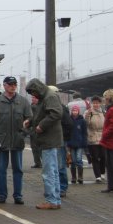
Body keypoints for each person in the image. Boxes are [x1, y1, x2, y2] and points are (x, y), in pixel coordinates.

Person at [0, 76, 32, 204]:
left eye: (15, 84)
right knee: (1, 169)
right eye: (10, 84)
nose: (13, 86)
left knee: (18, 169)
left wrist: (24, 133)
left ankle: (18, 195)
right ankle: (2, 194)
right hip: (1, 141)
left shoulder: (23, 102)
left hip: (17, 141)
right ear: (5, 85)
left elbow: (30, 119)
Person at [25, 78, 64, 209]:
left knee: (48, 171)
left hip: (49, 139)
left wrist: (41, 126)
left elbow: (56, 114)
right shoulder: (45, 97)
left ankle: (51, 200)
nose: (32, 95)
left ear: (38, 89)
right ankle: (56, 200)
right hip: (49, 139)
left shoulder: (49, 97)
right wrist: (31, 122)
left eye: (33, 92)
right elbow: (42, 114)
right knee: (53, 171)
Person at [85, 96, 106, 183]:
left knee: (103, 157)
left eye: (97, 103)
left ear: (100, 104)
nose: (96, 104)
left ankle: (102, 172)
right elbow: (86, 124)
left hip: (103, 137)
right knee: (95, 158)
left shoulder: (104, 112)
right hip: (92, 137)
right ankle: (97, 176)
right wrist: (88, 115)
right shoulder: (88, 112)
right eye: (94, 103)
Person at [67, 105, 88, 184]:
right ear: (71, 111)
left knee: (79, 159)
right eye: (73, 110)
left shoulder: (82, 121)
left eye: (76, 110)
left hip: (79, 144)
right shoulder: (69, 120)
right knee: (73, 161)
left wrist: (84, 142)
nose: (74, 112)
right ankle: (73, 177)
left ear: (78, 111)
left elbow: (84, 133)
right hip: (71, 144)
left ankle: (80, 177)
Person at [28, 93, 42, 168]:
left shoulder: (40, 107)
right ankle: (37, 162)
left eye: (34, 97)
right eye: (32, 97)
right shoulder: (31, 106)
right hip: (32, 130)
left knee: (39, 147)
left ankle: (41, 162)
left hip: (39, 129)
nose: (33, 99)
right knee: (34, 147)